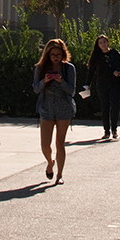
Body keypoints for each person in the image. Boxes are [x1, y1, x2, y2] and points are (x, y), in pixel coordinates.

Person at [33, 39, 76, 185]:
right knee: (45, 144)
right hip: (46, 107)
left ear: (63, 54)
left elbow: (72, 90)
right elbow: (35, 88)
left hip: (64, 107)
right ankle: (50, 162)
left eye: (58, 54)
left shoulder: (68, 68)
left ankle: (59, 175)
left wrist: (61, 81)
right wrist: (44, 81)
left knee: (60, 143)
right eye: (52, 55)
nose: (55, 57)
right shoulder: (41, 68)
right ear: (47, 55)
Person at [85, 34, 120, 140]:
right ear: (98, 45)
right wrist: (87, 84)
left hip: (114, 83)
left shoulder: (115, 53)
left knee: (115, 106)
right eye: (100, 43)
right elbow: (91, 71)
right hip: (102, 84)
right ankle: (106, 131)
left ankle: (114, 129)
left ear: (108, 43)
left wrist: (118, 72)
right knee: (105, 108)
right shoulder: (97, 56)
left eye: (104, 42)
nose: (103, 44)